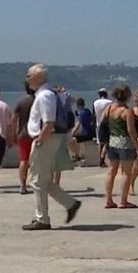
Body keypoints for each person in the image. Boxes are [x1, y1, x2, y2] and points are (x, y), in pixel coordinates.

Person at [22, 64, 82, 231]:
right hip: (49, 139)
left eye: (28, 76)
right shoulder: (47, 94)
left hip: (45, 139)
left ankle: (42, 218)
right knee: (43, 180)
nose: (26, 79)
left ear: (37, 78)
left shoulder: (44, 96)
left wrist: (40, 141)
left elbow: (48, 122)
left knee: (36, 181)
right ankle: (70, 204)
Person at [102, 85, 138, 209]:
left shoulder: (108, 109)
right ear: (127, 96)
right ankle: (123, 201)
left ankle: (108, 199)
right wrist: (137, 147)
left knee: (111, 171)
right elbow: (131, 131)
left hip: (112, 142)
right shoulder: (127, 111)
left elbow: (103, 125)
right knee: (126, 173)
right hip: (125, 144)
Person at [11, 81, 35, 194]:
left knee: (23, 160)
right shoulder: (39, 101)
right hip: (36, 134)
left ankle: (22, 185)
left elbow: (13, 120)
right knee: (39, 161)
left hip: (23, 134)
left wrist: (13, 134)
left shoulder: (20, 102)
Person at [93, 88, 113, 167]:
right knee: (106, 142)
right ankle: (102, 158)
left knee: (99, 142)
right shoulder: (109, 102)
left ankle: (100, 160)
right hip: (107, 124)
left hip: (98, 124)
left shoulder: (95, 102)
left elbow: (94, 114)